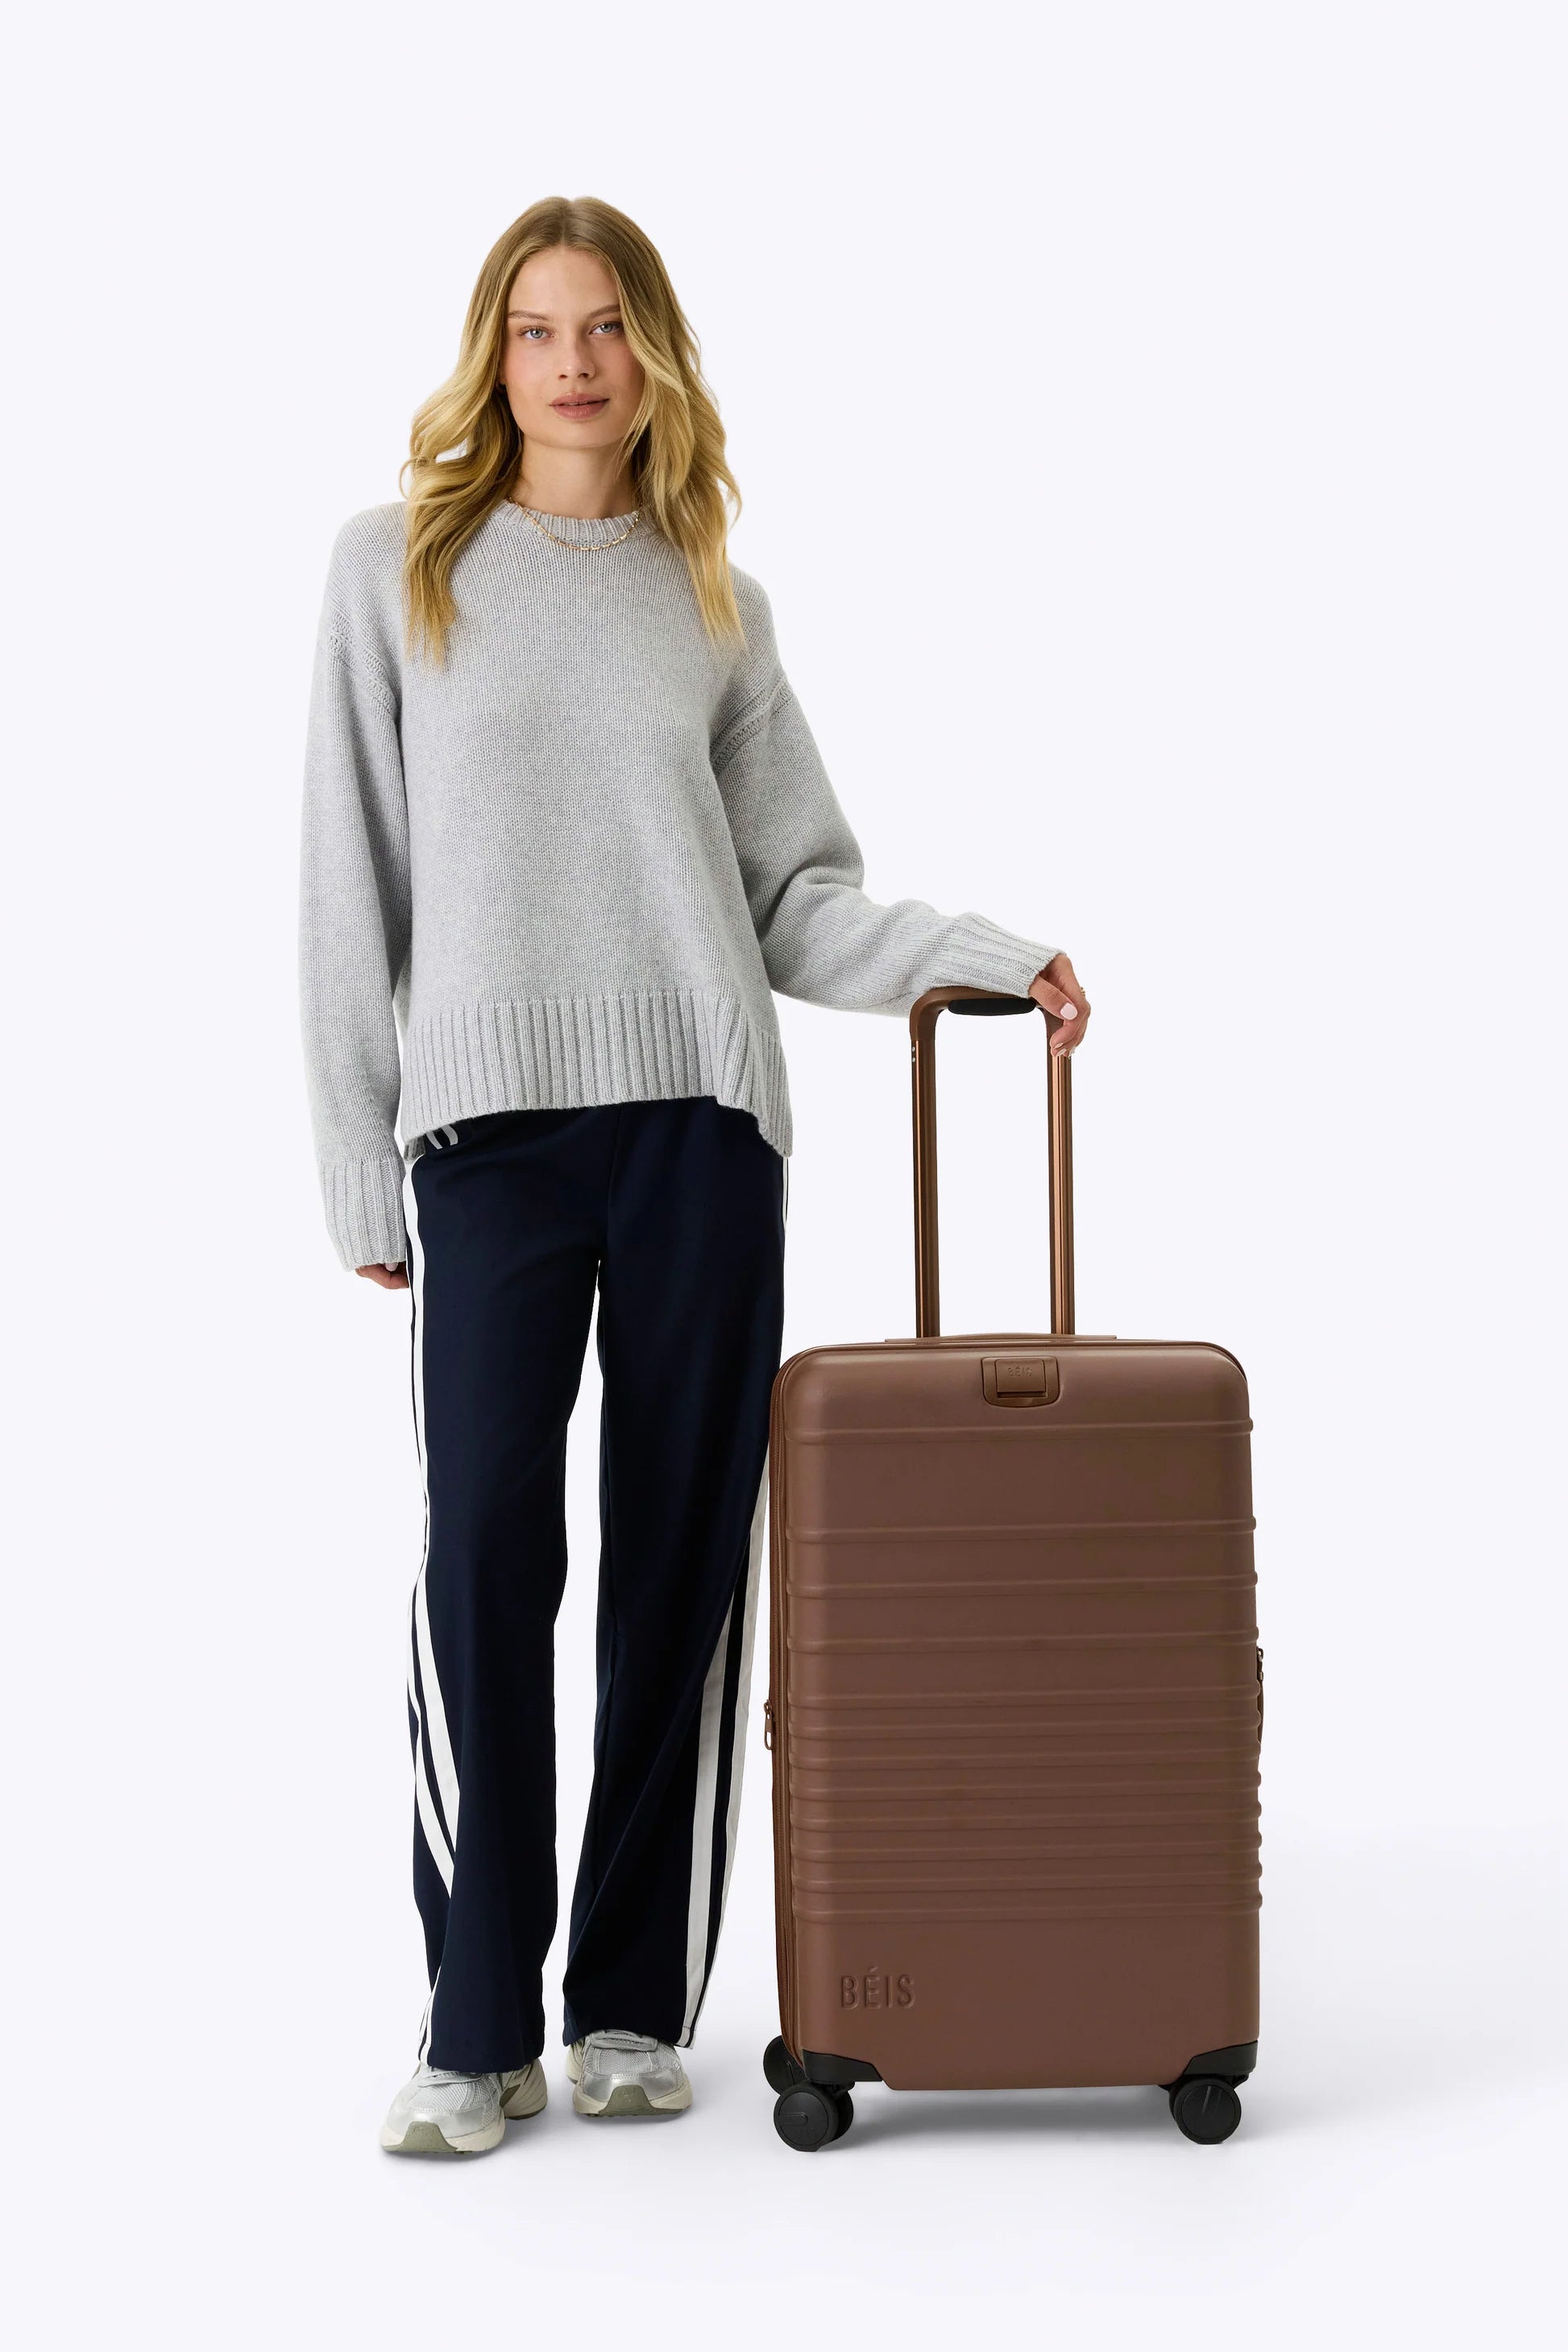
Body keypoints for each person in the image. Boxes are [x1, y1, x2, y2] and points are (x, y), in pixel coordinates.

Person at [297, 194, 1092, 2157]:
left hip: (699, 1132)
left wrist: (974, 954)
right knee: (484, 1557)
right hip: (486, 1139)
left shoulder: (714, 598)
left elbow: (793, 893)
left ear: (652, 355)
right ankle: (474, 2022)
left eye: (606, 327)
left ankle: (632, 2002)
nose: (572, 362)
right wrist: (358, 1161)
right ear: (493, 355)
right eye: (536, 328)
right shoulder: (395, 568)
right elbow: (345, 883)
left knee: (680, 1564)